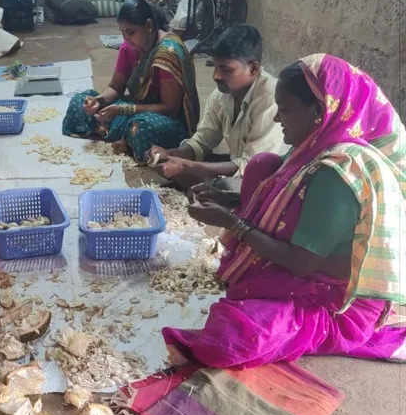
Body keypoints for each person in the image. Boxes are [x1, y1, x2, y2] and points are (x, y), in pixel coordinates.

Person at [163, 54, 406, 369]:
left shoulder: (338, 172)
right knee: (263, 164)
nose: (278, 119)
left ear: (319, 111)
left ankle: (293, 319)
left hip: (333, 299)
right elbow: (280, 197)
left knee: (228, 340)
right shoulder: (316, 142)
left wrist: (232, 224)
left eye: (286, 110)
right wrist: (224, 199)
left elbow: (300, 262)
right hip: (303, 260)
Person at [146, 25, 285, 187]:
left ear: (253, 68)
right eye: (215, 67)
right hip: (238, 164)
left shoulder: (272, 99)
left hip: (266, 176)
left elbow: (253, 166)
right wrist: (171, 154)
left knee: (224, 186)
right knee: (185, 172)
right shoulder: (221, 95)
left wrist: (187, 165)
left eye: (225, 69)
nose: (216, 76)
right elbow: (201, 142)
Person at [62, 0, 200, 159]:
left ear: (149, 26)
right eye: (122, 33)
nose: (126, 39)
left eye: (131, 32)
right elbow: (115, 87)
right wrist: (98, 101)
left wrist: (122, 109)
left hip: (163, 118)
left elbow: (170, 108)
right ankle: (123, 140)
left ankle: (124, 139)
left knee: (142, 128)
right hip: (134, 106)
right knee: (79, 101)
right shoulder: (129, 47)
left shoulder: (167, 53)